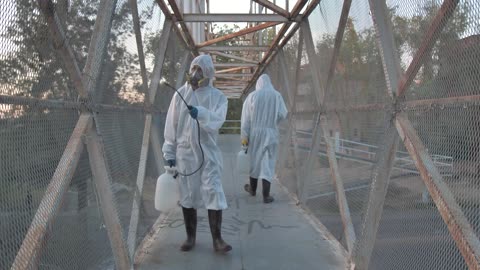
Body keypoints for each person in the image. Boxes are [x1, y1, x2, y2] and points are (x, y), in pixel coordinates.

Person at [162, 54, 232, 253]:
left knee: (214, 191)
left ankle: (217, 240)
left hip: (208, 153)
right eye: (194, 68)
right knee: (188, 194)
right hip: (185, 154)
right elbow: (171, 125)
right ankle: (190, 237)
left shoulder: (218, 97)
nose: (195, 73)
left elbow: (217, 121)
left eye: (200, 69)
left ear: (208, 72)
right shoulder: (180, 94)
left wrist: (201, 113)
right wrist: (169, 151)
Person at [241, 74, 288, 203]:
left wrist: (244, 139)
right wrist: (273, 122)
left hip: (255, 132)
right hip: (271, 131)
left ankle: (252, 189)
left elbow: (245, 121)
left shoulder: (252, 97)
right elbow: (283, 114)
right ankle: (266, 195)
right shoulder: (276, 95)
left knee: (255, 160)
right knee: (268, 162)